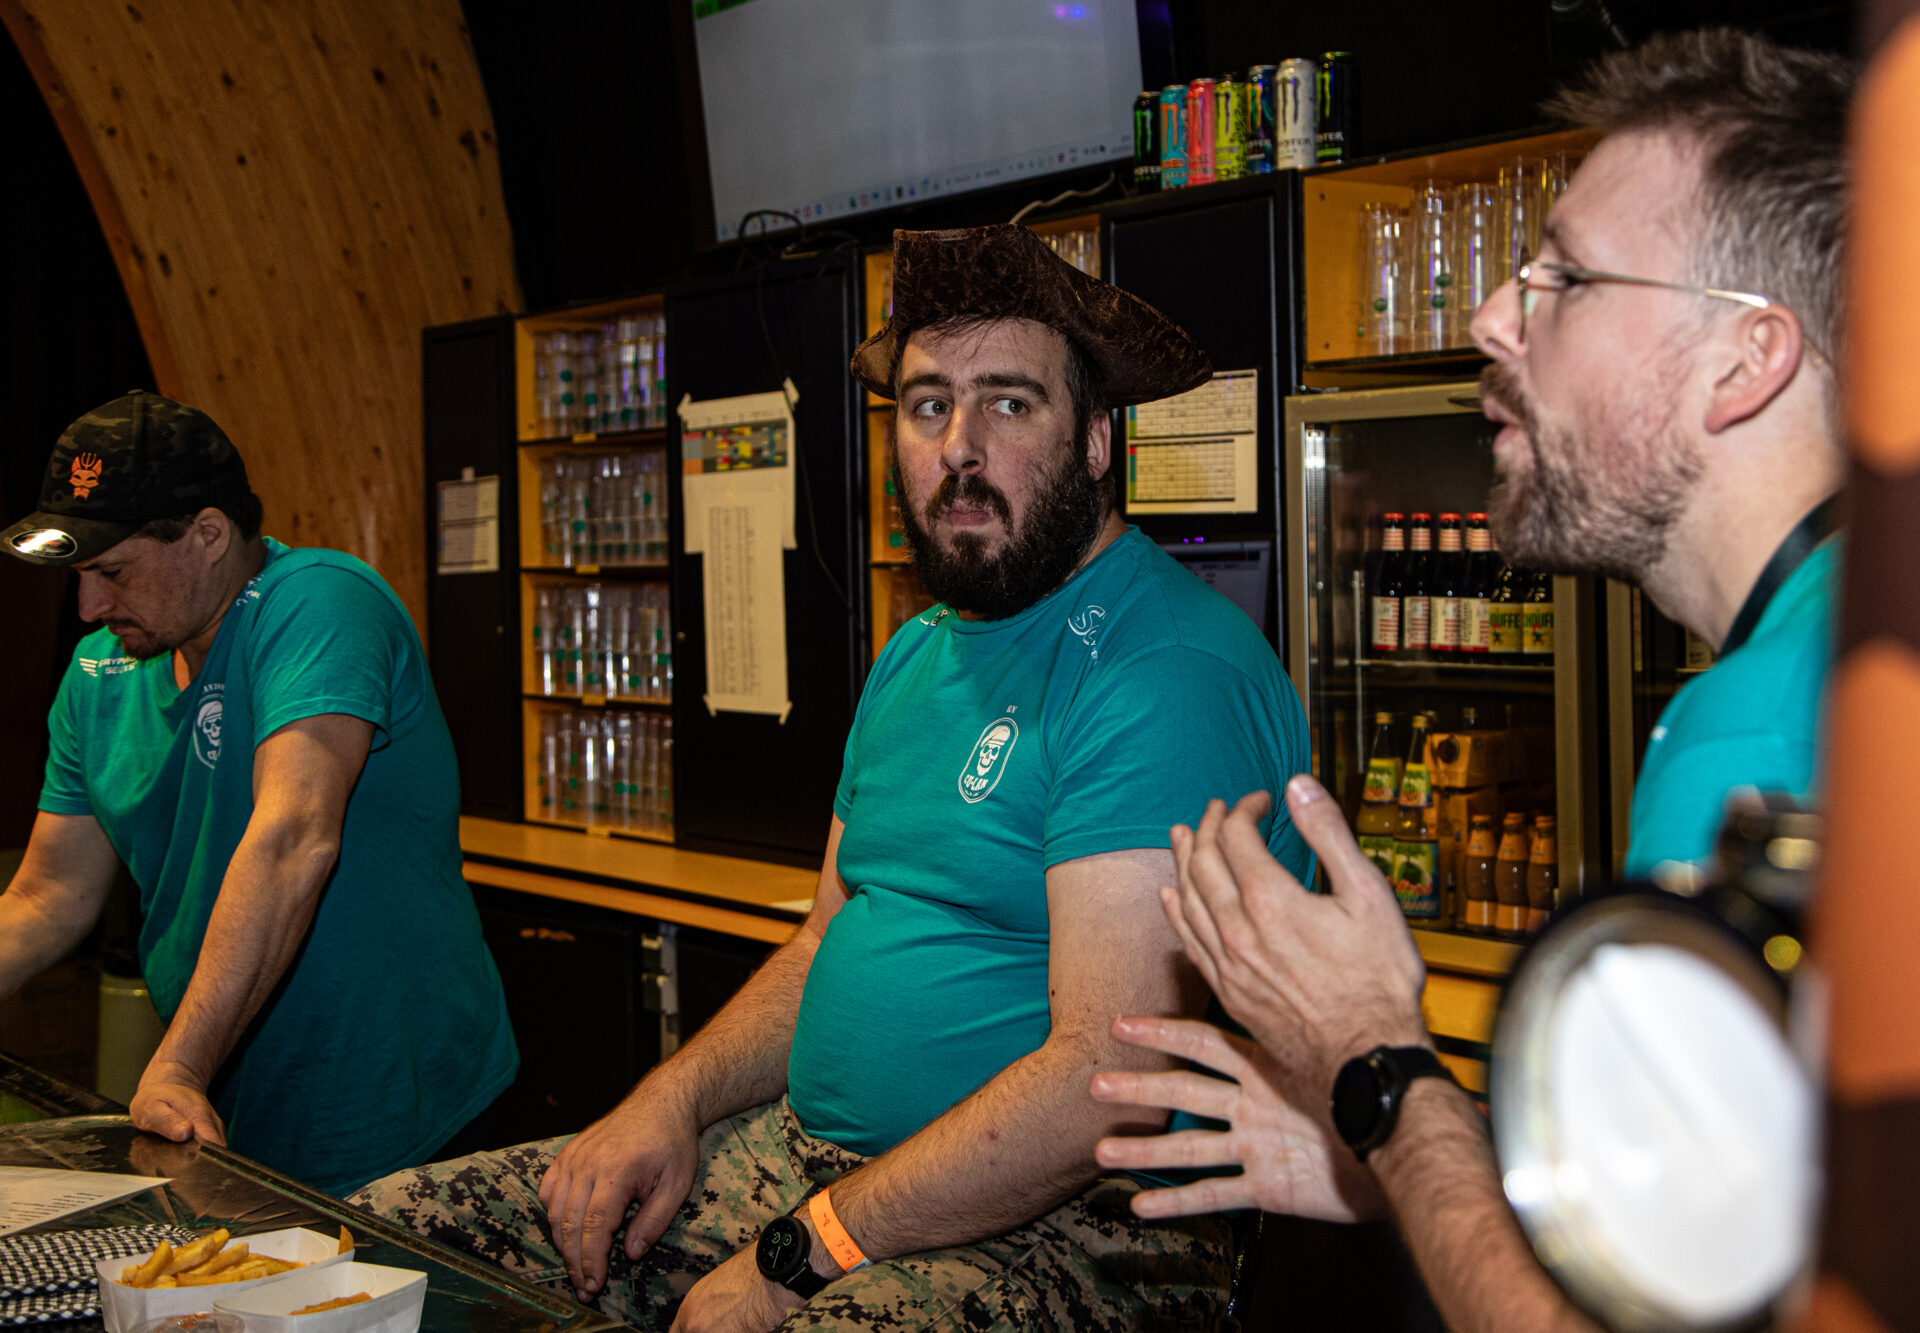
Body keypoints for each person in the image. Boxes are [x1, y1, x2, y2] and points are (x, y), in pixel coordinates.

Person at [354, 224, 1312, 1332]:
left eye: (1009, 404)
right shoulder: (915, 653)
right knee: (389, 1241)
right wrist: (668, 1101)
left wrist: (793, 1259)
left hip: (1083, 1221)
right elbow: (822, 941)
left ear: (1097, 442)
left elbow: (1105, 1080)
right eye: (927, 405)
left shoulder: (1164, 669)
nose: (960, 448)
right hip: (810, 1166)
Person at [1088, 27, 1852, 1333]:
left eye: (1567, 278)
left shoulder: (1755, 748)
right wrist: (1428, 1162)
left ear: (1746, 358)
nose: (1493, 315)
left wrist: (1373, 1064)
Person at [0, 391, 518, 1197]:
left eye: (112, 571)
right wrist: (188, 1072)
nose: (90, 607)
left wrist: (177, 1063)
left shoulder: (317, 600)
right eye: (79, 576)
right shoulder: (98, 672)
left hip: (397, 1110)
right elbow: (46, 896)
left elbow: (292, 838)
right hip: (235, 1109)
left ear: (208, 534)